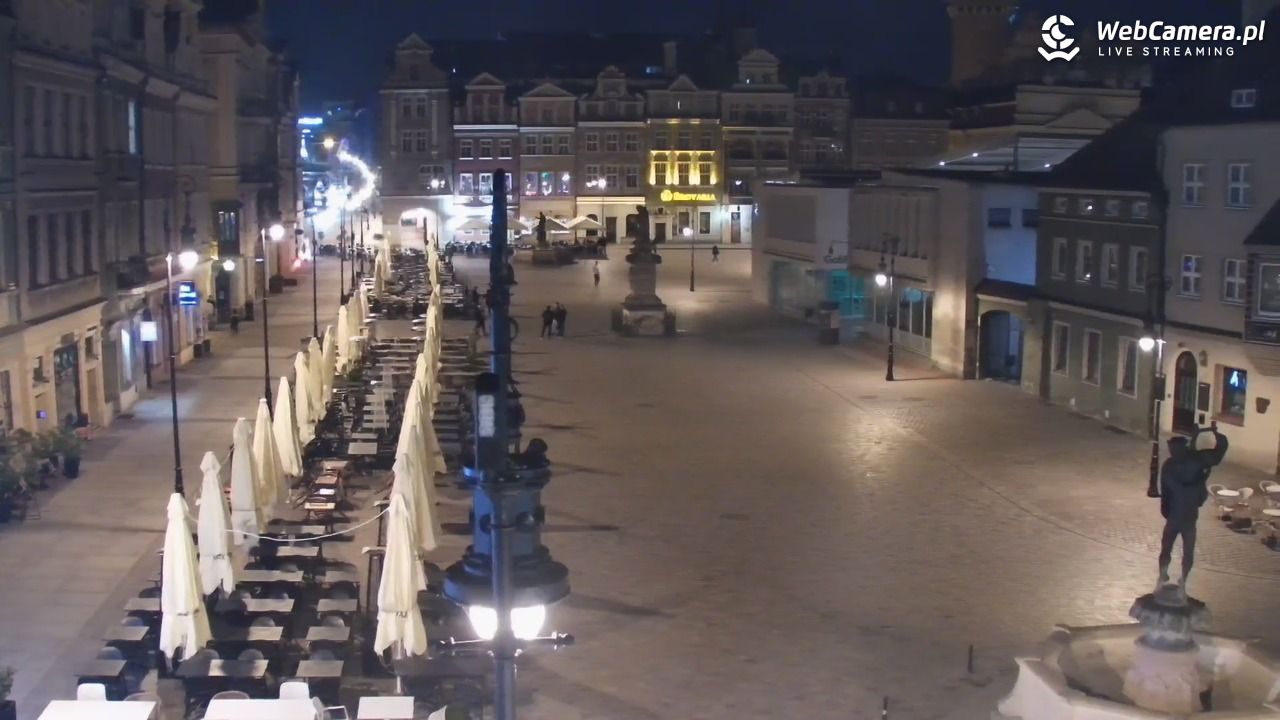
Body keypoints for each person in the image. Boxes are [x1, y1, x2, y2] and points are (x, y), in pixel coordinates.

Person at [1158, 422, 1228, 588]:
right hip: (1189, 516)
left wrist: (1165, 509)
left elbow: (1165, 491)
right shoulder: (1196, 461)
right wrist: (1216, 435)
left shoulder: (1169, 466)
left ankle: (1163, 574)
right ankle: (1183, 578)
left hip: (1174, 515)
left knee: (1166, 548)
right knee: (1187, 551)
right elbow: (1217, 454)